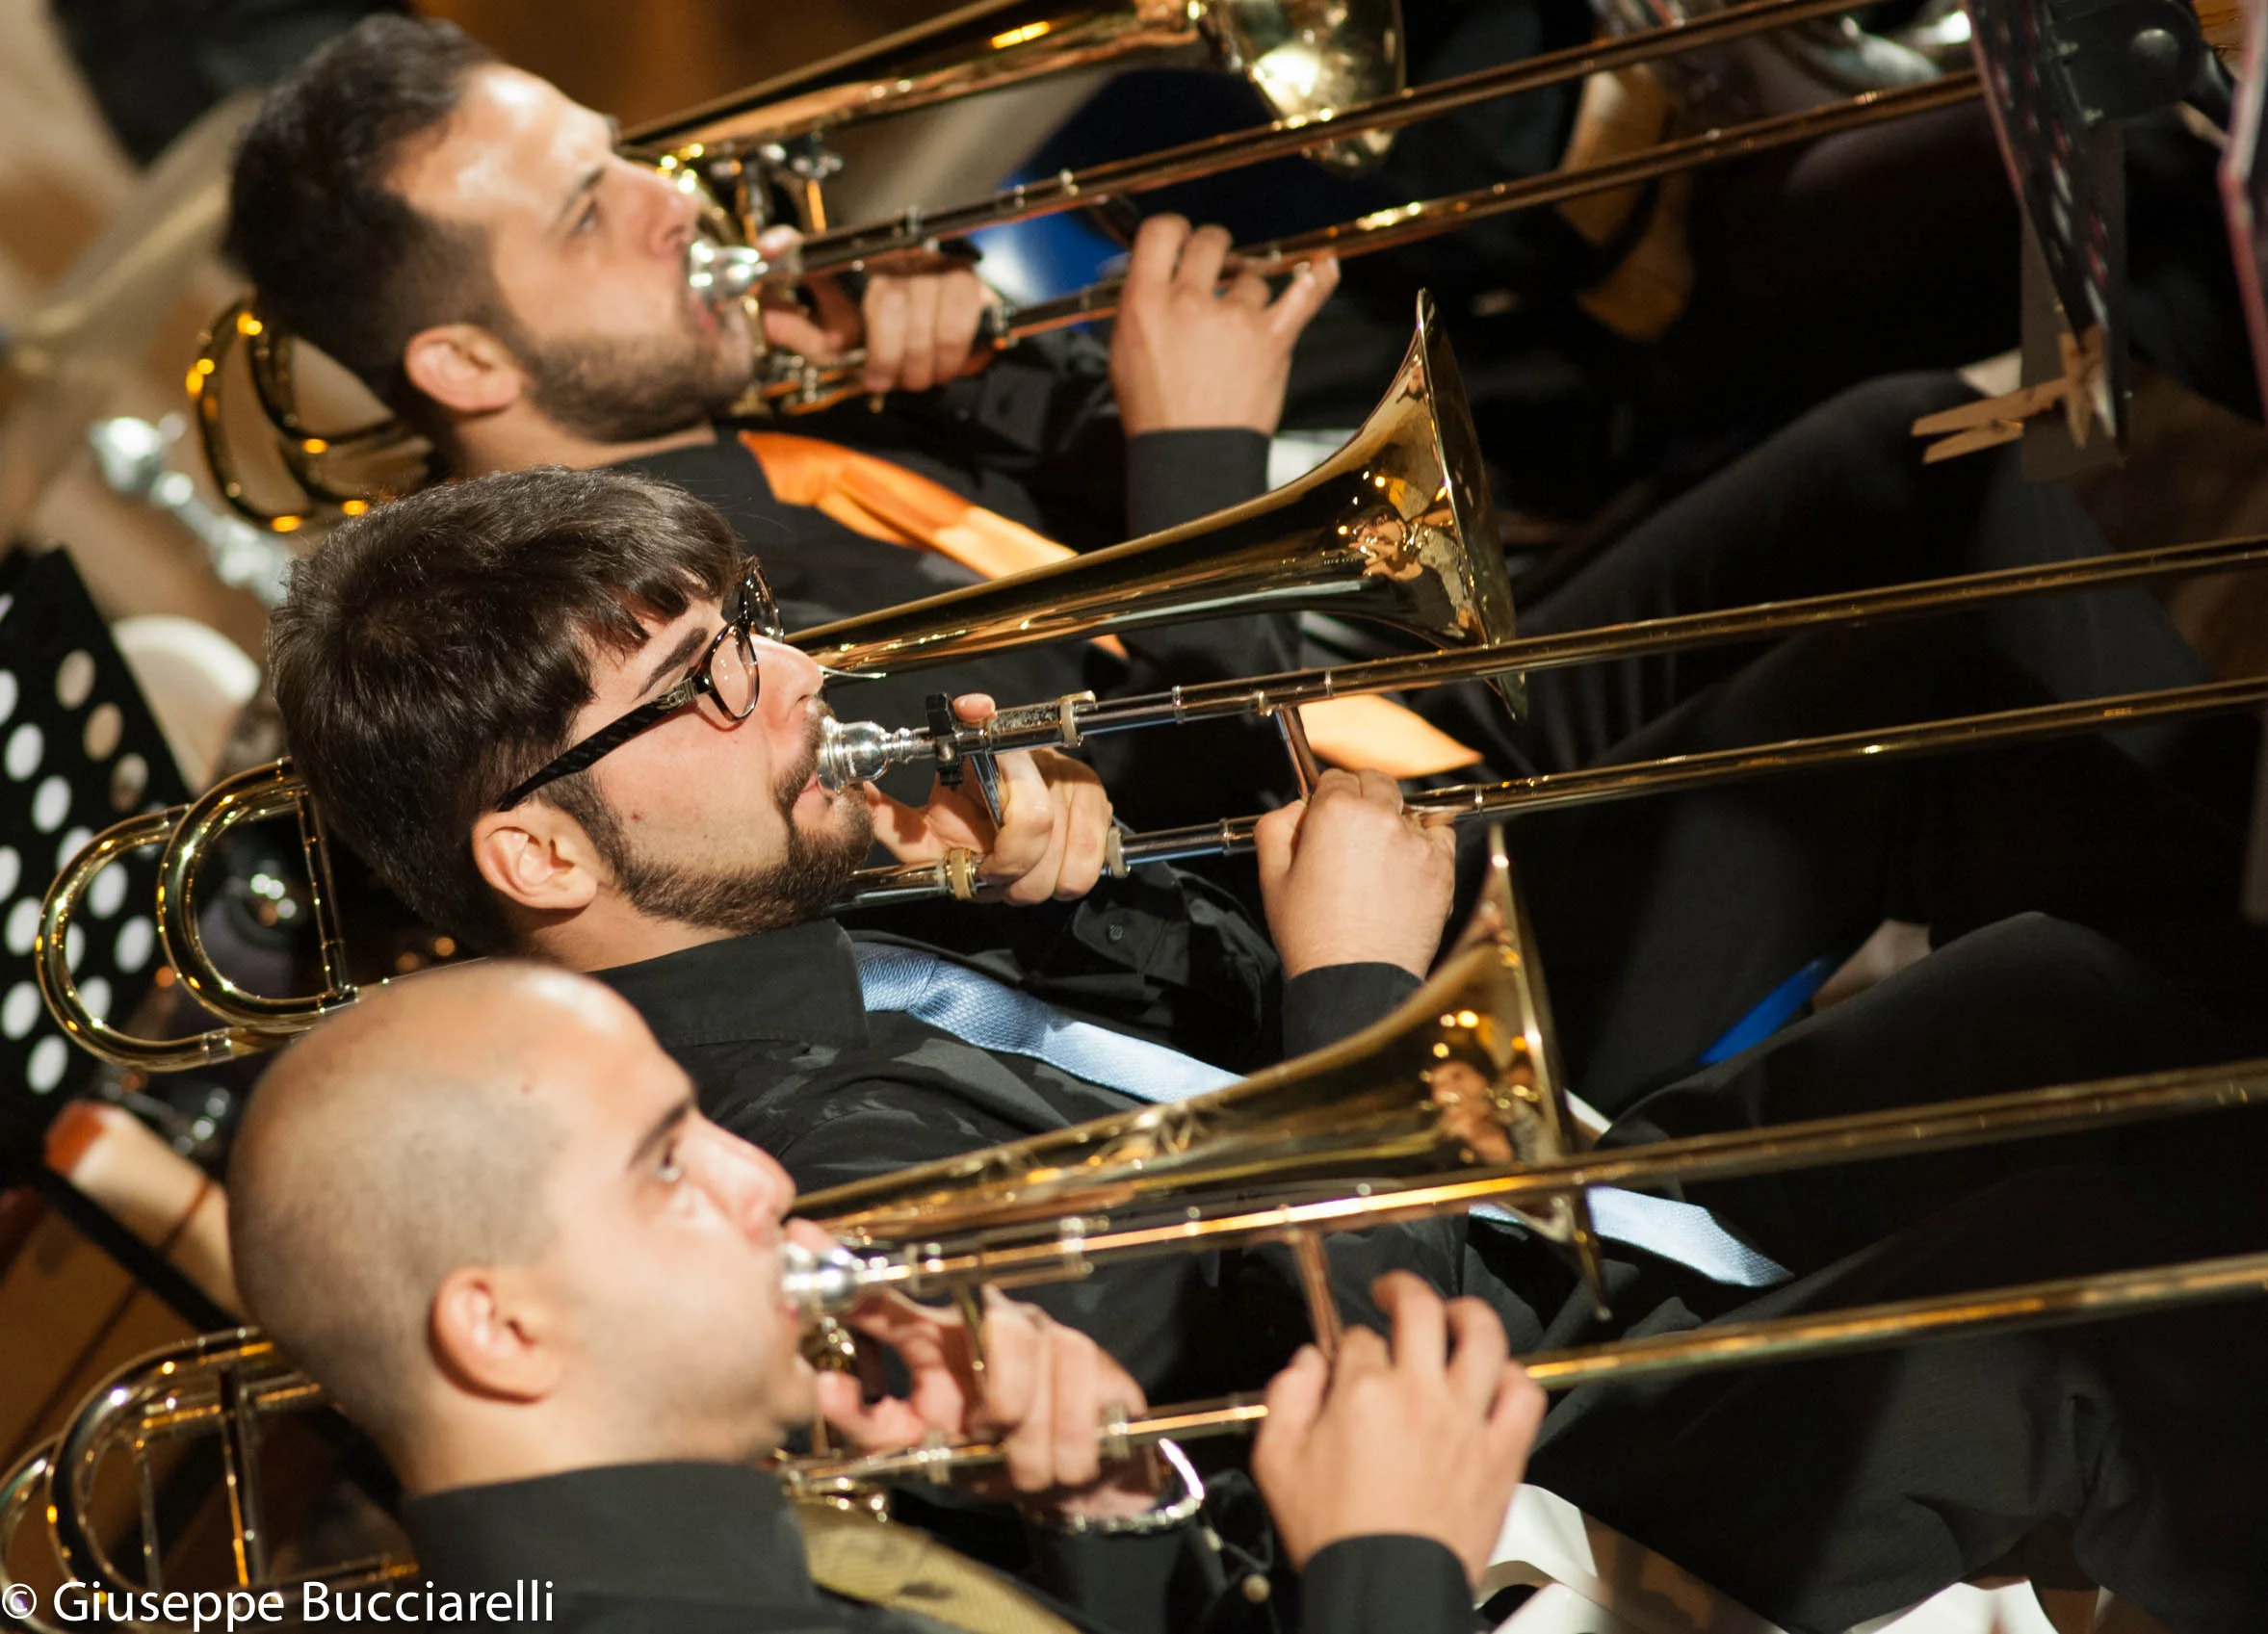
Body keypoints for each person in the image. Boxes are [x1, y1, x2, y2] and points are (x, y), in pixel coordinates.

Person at [265, 463, 2268, 1630]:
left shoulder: (794, 902)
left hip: (1544, 1227)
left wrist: (1084, 873)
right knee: (2115, 1313)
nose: (796, 685)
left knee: (2060, 988)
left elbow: (1204, 1037)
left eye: (756, 625)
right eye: (706, 688)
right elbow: (1358, 1328)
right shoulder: (778, 1161)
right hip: (1550, 1430)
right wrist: (1342, 996)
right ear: (535, 847)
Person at [227, 958, 1546, 1634]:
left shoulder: (731, 1548)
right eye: (667, 1164)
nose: (758, 1178)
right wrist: (1389, 1567)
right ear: (502, 1329)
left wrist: (1105, 1513)